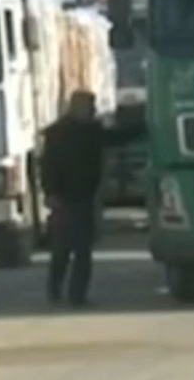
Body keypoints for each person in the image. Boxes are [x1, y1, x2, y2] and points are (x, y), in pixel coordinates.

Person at [40, 89, 145, 307]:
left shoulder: (79, 130)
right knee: (72, 250)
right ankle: (66, 293)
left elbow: (115, 138)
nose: (94, 111)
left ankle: (65, 292)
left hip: (78, 196)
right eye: (91, 106)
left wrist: (141, 127)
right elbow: (48, 166)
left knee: (72, 249)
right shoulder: (65, 132)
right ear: (79, 107)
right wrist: (50, 192)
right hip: (70, 197)